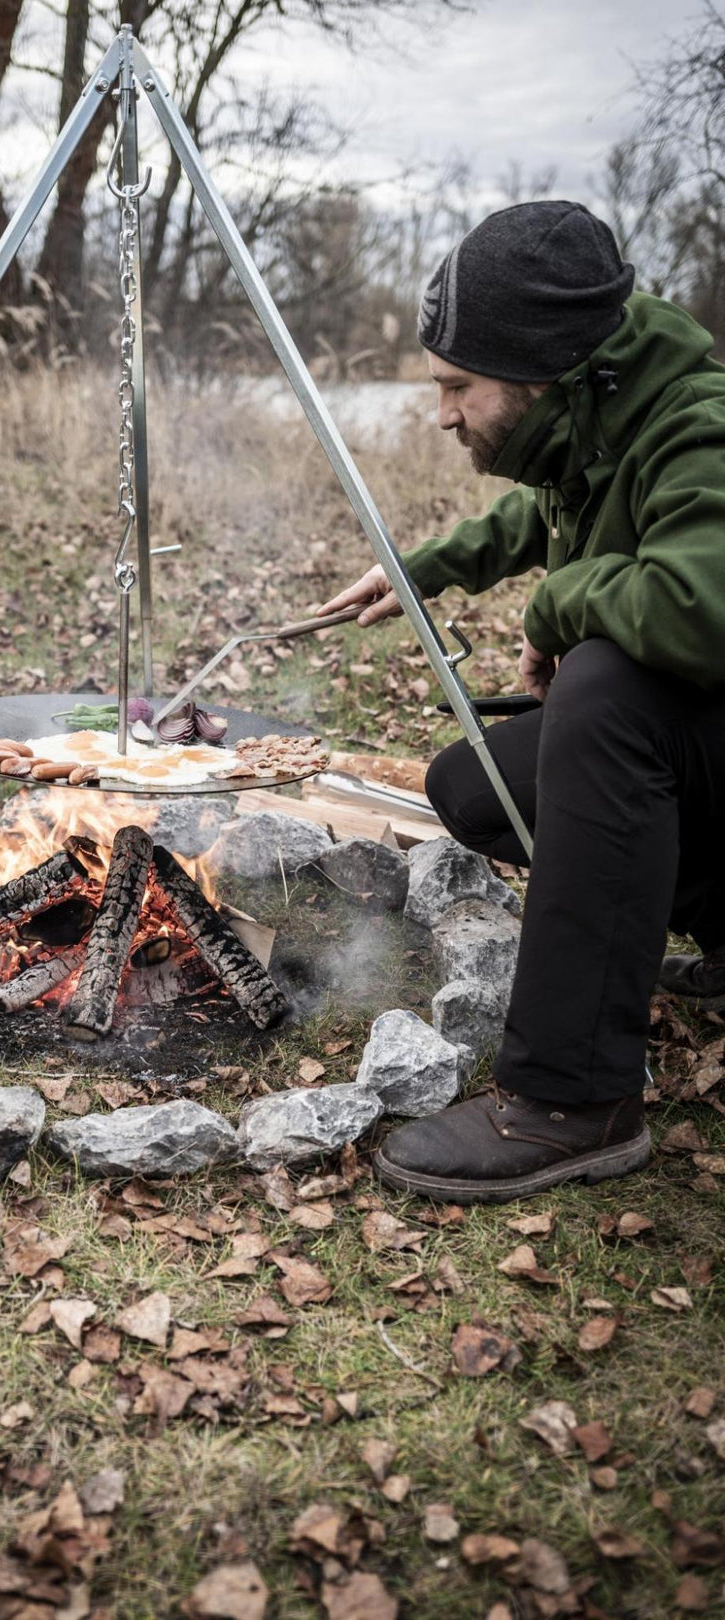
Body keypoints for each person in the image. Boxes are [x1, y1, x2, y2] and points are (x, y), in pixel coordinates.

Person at [319, 199, 725, 1204]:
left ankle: (570, 1101)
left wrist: (555, 610)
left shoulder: (702, 430)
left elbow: (695, 610)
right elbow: (552, 504)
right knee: (476, 786)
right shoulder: (600, 409)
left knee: (608, 683)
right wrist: (424, 569)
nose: (444, 413)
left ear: (540, 380)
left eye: (458, 386)